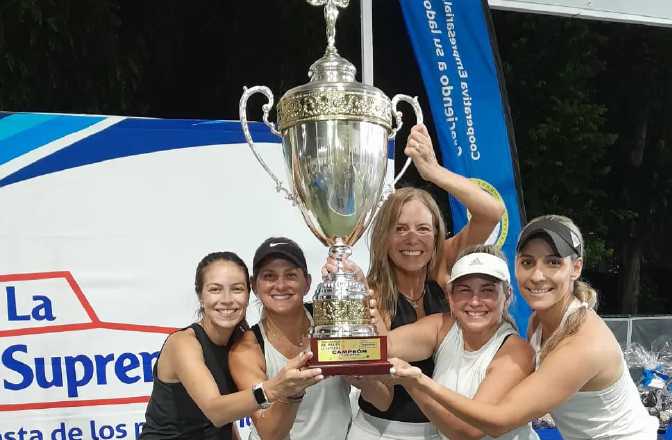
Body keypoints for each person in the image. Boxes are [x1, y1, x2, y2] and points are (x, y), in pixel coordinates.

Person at [390, 215, 659, 439]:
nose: (537, 275)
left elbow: (497, 421)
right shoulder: (538, 322)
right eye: (528, 262)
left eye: (553, 262)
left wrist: (419, 382)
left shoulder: (583, 344)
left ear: (575, 268)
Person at [336, 124, 505, 439]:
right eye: (400, 228)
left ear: (437, 235)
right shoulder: (371, 292)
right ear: (384, 238)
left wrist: (434, 172)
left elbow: (491, 212)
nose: (412, 239)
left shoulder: (444, 267)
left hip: (442, 430)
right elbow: (380, 387)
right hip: (381, 431)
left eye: (423, 229)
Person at [140, 251, 323, 440]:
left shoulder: (240, 342)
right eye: (215, 289)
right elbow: (215, 410)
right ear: (200, 296)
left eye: (236, 289)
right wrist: (276, 388)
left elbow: (228, 418)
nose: (227, 299)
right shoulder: (183, 343)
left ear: (248, 294)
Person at [228, 237, 391, 440]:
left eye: (291, 275)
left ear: (307, 283)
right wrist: (292, 390)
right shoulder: (247, 349)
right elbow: (270, 433)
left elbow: (384, 401)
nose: (280, 285)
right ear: (254, 285)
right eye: (269, 276)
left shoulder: (334, 319)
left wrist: (361, 378)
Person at [385, 244, 539, 440]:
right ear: (450, 297)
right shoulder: (442, 327)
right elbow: (382, 347)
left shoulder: (517, 352)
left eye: (487, 291)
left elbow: (468, 431)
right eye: (464, 291)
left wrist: (414, 383)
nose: (475, 301)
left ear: (506, 296)